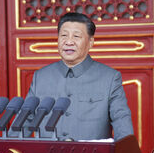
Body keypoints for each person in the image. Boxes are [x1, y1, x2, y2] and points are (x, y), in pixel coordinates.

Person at [9, 12, 134, 141]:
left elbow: (121, 121)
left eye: (76, 36)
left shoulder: (109, 78)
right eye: (63, 35)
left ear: (90, 42)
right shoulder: (41, 77)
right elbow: (25, 123)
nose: (69, 42)